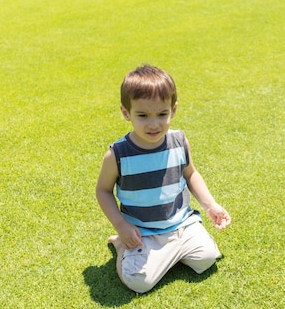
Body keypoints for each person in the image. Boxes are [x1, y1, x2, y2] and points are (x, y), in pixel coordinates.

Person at [96, 64, 231, 293]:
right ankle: (122, 247)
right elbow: (103, 191)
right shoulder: (118, 154)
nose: (153, 124)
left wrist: (210, 204)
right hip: (142, 231)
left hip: (181, 224)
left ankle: (170, 253)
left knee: (207, 258)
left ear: (173, 110)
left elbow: (191, 174)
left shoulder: (179, 142)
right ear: (126, 112)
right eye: (143, 115)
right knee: (139, 282)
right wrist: (121, 226)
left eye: (162, 114)